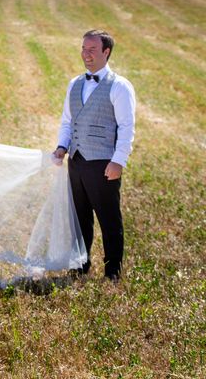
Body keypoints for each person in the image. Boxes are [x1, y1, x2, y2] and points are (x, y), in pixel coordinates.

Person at [53, 30, 136, 281]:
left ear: (106, 52)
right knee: (79, 220)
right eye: (83, 49)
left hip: (103, 164)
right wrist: (61, 147)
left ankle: (113, 273)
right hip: (76, 161)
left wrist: (118, 161)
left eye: (92, 49)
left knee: (109, 220)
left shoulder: (119, 86)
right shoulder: (75, 83)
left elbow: (127, 127)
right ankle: (79, 266)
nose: (85, 54)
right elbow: (68, 121)